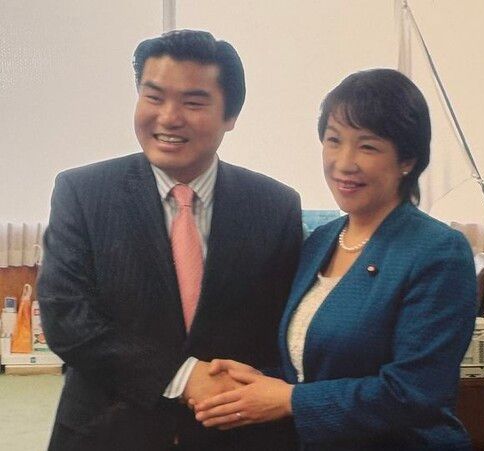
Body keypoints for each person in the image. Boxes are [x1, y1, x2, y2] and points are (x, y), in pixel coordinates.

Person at [37, 29, 302, 451]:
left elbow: (283, 332)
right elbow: (67, 318)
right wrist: (182, 376)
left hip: (235, 434)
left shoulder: (275, 206)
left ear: (230, 115)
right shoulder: (83, 193)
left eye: (193, 103)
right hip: (105, 434)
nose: (168, 117)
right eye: (154, 97)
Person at [193, 69, 477, 450]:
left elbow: (414, 392)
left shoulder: (437, 251)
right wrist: (256, 381)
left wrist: (289, 400)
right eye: (333, 140)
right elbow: (314, 367)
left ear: (407, 159)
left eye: (367, 147)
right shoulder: (320, 241)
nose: (344, 162)